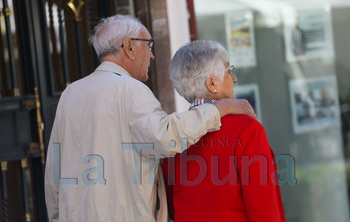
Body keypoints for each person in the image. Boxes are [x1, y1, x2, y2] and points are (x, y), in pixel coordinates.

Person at [44, 15, 256, 222]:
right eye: (149, 46)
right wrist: (218, 109)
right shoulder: (130, 89)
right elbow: (166, 138)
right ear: (129, 47)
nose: (152, 56)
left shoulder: (71, 94)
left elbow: (54, 175)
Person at [162, 40, 286, 222]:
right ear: (212, 83)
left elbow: (171, 206)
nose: (234, 78)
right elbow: (264, 209)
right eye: (229, 71)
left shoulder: (171, 135)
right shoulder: (246, 129)